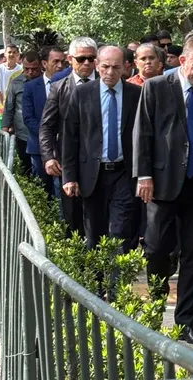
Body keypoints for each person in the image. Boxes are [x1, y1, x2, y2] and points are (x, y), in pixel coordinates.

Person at [133, 34, 193, 346]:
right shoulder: (157, 87)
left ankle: (186, 323)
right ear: (183, 61)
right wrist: (143, 176)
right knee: (156, 249)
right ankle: (155, 314)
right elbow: (143, 133)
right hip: (161, 182)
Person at [61, 46, 141, 253]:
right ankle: (96, 284)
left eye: (116, 67)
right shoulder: (82, 93)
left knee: (120, 231)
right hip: (92, 175)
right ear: (97, 65)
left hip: (124, 173)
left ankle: (115, 284)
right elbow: (70, 137)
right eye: (105, 67)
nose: (110, 72)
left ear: (125, 67)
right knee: (94, 233)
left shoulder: (136, 94)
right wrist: (69, 177)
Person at [40, 37, 98, 235]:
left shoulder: (108, 85)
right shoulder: (59, 87)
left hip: (102, 162)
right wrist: (48, 157)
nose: (87, 63)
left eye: (92, 58)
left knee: (100, 219)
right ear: (70, 59)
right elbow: (47, 126)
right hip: (69, 162)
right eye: (82, 59)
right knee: (72, 216)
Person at [23, 47, 66, 197]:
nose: (60, 66)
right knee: (43, 192)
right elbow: (28, 118)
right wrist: (47, 137)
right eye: (55, 61)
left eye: (63, 62)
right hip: (38, 149)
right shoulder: (31, 87)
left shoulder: (70, 85)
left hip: (65, 149)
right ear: (44, 63)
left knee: (63, 194)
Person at [3, 51, 41, 173]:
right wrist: (5, 128)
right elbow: (9, 107)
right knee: (26, 168)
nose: (30, 72)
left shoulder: (48, 82)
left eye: (34, 69)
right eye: (26, 69)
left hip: (42, 133)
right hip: (22, 134)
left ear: (41, 65)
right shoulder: (15, 82)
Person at [0, 44, 22, 127]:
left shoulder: (21, 69)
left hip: (17, 108)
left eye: (14, 52)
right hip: (1, 106)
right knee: (1, 134)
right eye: (9, 52)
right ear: (5, 54)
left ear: (17, 54)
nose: (11, 54)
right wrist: (5, 107)